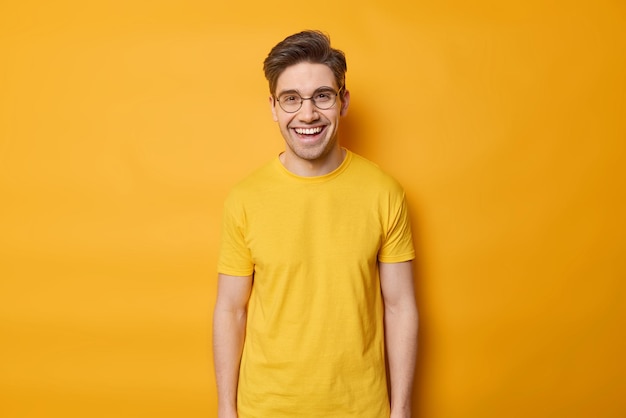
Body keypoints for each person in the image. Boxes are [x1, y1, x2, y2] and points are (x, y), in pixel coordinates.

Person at [213, 30, 418, 418]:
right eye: (291, 99)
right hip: (266, 407)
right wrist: (226, 409)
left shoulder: (385, 192)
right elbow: (230, 309)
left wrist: (402, 408)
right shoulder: (244, 198)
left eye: (321, 96)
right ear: (273, 106)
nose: (307, 114)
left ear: (343, 101)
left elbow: (400, 305)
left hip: (360, 408)